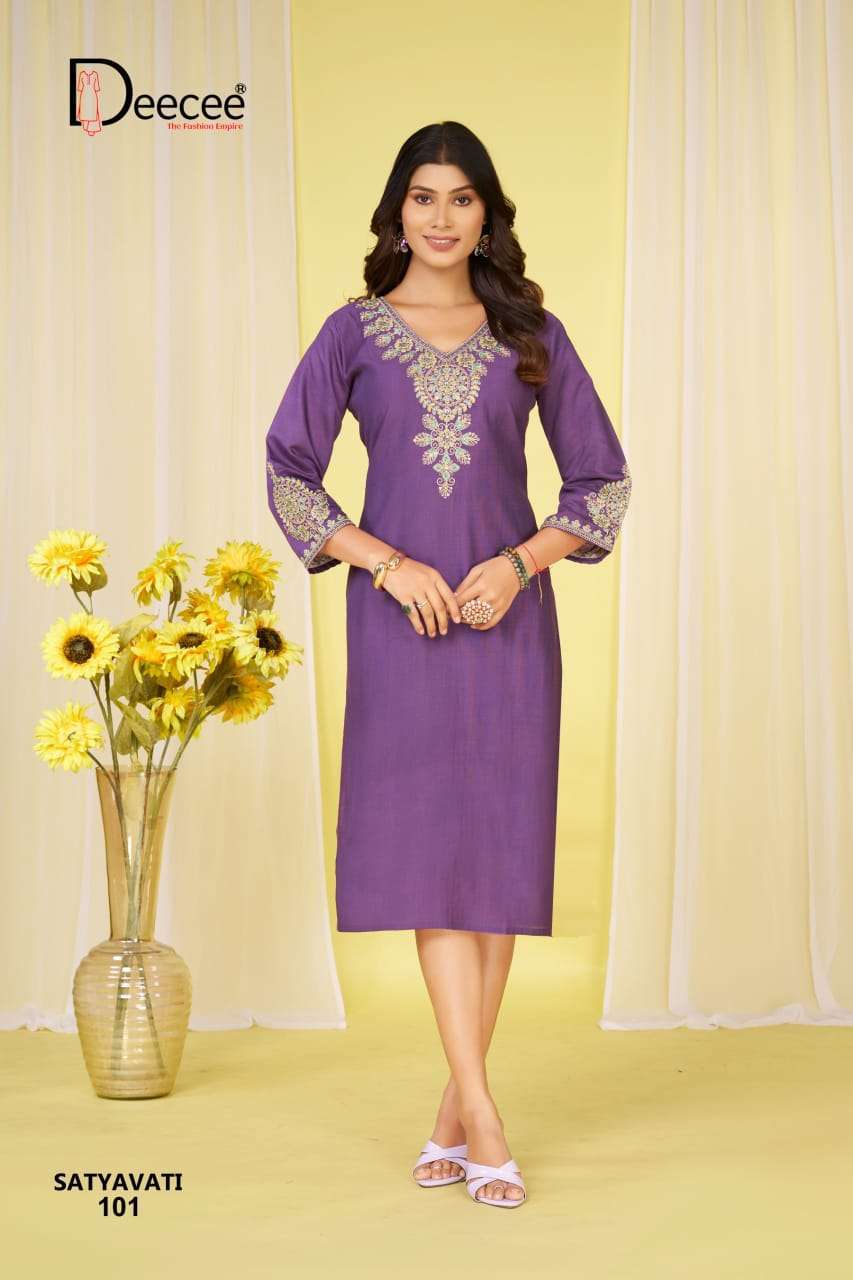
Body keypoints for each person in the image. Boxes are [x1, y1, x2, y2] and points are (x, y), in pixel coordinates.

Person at [264, 121, 631, 1209]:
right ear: (395, 212)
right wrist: (385, 562)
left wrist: (519, 565)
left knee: (494, 870)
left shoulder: (532, 333)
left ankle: (451, 1116)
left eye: (460, 198)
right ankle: (485, 1116)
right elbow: (288, 473)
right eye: (422, 197)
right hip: (404, 631)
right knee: (434, 863)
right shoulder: (353, 333)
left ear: (486, 213)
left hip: (506, 629)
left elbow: (601, 484)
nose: (439, 217)